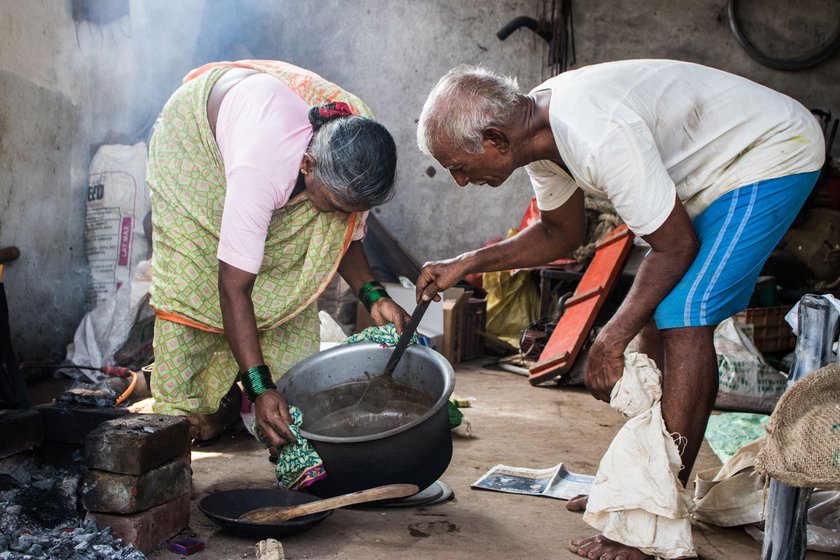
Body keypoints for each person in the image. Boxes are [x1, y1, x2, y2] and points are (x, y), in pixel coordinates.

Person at [415, 60, 824, 559]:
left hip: (772, 153)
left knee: (685, 310)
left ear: (497, 140)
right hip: (717, 174)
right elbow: (559, 233)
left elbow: (673, 246)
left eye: (458, 165)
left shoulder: (594, 131)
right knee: (656, 311)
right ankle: (636, 488)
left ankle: (650, 518)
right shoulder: (538, 138)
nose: (459, 180)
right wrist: (468, 261)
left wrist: (610, 337)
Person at [147, 60, 410, 449]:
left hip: (263, 130)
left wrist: (375, 297)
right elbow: (232, 287)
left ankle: (249, 396)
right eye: (337, 205)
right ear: (308, 165)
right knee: (197, 281)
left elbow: (343, 232)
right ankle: (214, 402)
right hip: (194, 144)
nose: (343, 218)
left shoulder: (357, 147)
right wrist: (260, 389)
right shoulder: (261, 169)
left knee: (286, 276)